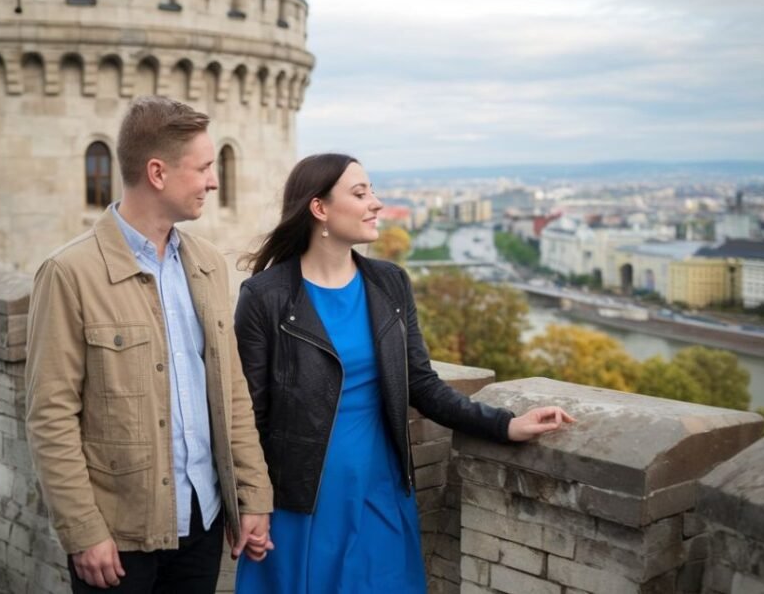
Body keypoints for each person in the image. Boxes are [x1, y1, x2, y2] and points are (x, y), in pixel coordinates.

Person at [233, 153, 574, 593]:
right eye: (360, 193)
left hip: (382, 488)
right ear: (319, 209)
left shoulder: (390, 283)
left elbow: (422, 384)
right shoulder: (265, 297)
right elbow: (247, 417)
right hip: (302, 500)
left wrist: (505, 424)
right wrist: (251, 502)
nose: (376, 203)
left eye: (372, 190)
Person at [24, 96, 274, 593]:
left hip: (203, 520)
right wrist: (83, 531)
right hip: (120, 537)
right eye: (203, 167)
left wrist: (253, 496)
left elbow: (231, 394)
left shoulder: (206, 263)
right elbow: (50, 415)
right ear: (157, 172)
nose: (213, 180)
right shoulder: (70, 273)